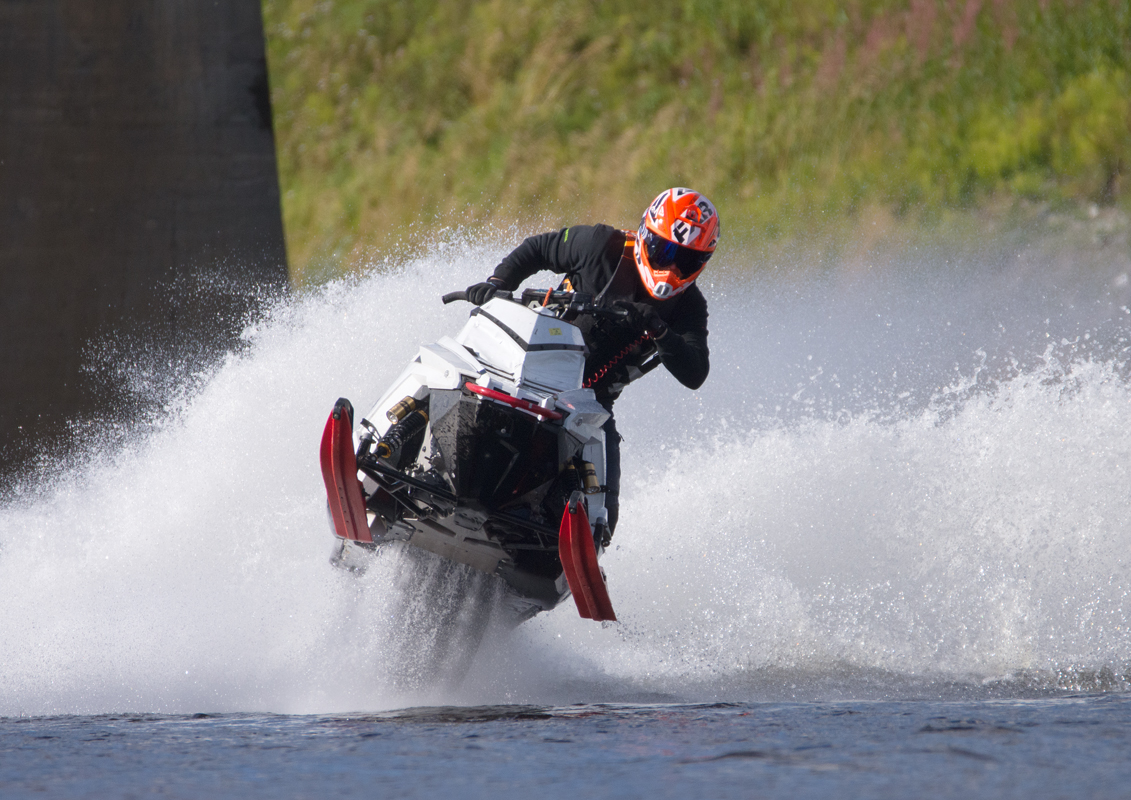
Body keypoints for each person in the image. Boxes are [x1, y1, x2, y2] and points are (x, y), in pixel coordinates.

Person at [463, 187, 719, 540]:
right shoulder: (601, 244)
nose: (672, 267)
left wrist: (659, 329)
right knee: (463, 370)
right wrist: (497, 283)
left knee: (605, 521)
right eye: (666, 252)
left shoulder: (689, 306)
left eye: (686, 260)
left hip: (592, 406)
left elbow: (695, 373)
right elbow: (539, 248)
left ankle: (551, 542)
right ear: (646, 234)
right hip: (526, 367)